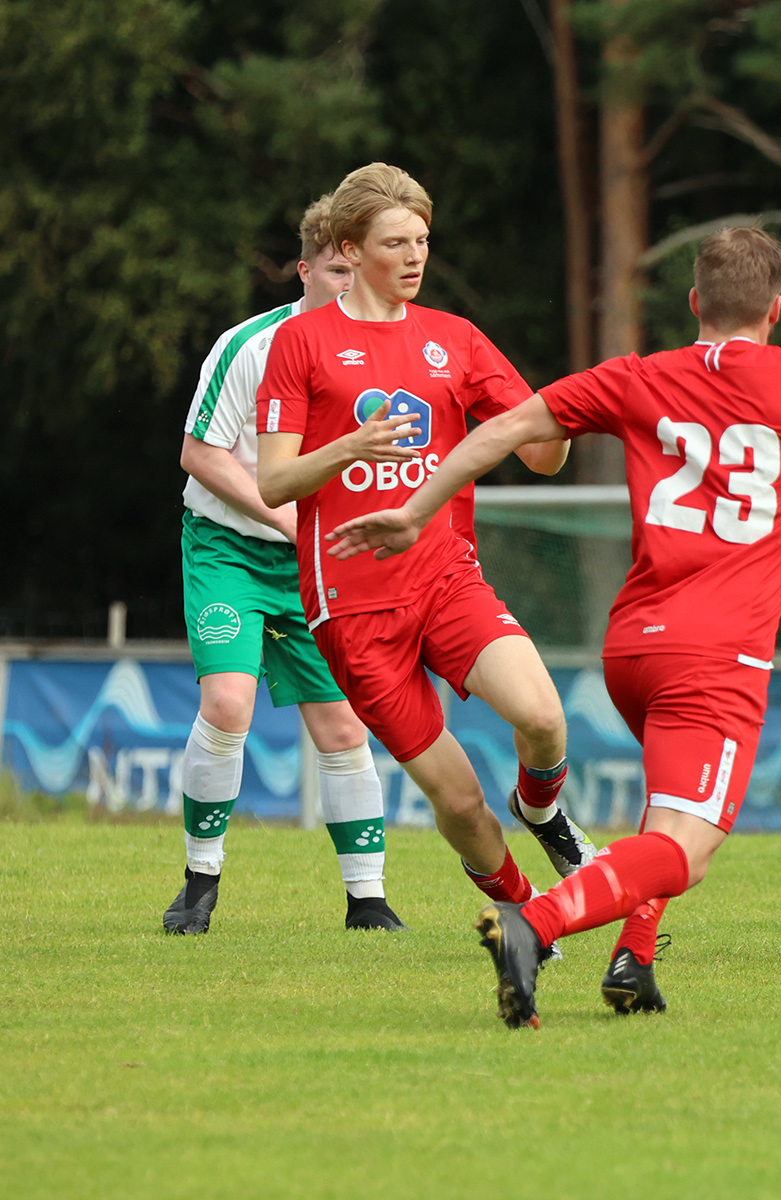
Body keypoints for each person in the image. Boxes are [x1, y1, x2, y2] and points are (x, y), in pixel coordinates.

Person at [325, 226, 781, 1028]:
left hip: (633, 647)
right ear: (777, 310)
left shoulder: (639, 377)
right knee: (685, 849)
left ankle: (635, 961)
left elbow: (510, 428)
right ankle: (533, 923)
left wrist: (415, 508)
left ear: (694, 304)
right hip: (717, 654)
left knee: (667, 812)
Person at [253, 163, 596, 920]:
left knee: (542, 718)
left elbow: (543, 452)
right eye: (395, 243)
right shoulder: (300, 344)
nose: (414, 258)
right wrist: (350, 446)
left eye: (423, 241)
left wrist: (561, 421)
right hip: (352, 610)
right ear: (350, 246)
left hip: (446, 577)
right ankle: (525, 914)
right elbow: (273, 485)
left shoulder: (456, 338)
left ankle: (542, 811)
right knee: (461, 801)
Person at [164, 195, 406, 935]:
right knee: (229, 704)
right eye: (334, 269)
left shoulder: (381, 353)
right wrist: (280, 515)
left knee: (341, 725)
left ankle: (367, 901)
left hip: (319, 561)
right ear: (304, 268)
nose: (345, 285)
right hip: (229, 547)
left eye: (357, 270)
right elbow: (198, 452)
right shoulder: (250, 345)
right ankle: (199, 883)